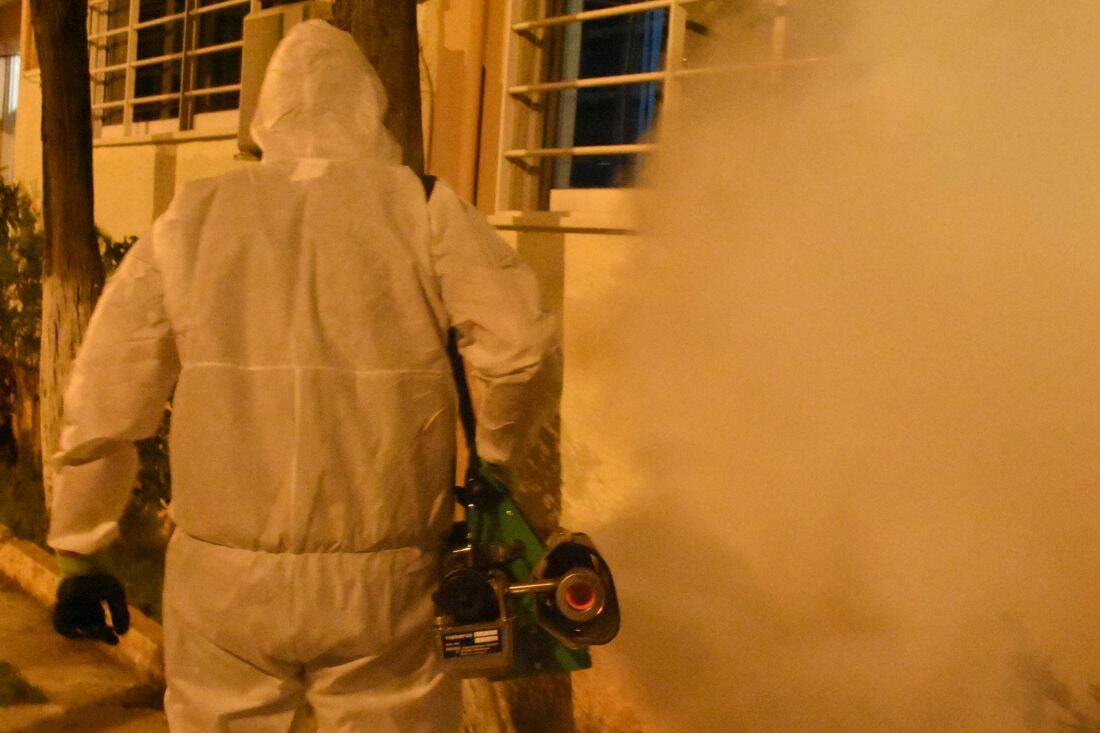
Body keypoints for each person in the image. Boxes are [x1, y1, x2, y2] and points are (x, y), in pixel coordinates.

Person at [47, 20, 558, 732]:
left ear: (267, 116)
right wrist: (495, 461)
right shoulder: (422, 207)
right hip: (385, 579)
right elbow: (521, 351)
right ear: (371, 107)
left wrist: (80, 544)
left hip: (222, 582)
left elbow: (108, 387)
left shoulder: (192, 217)